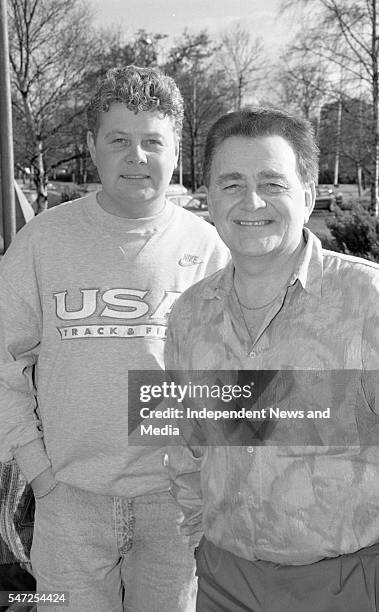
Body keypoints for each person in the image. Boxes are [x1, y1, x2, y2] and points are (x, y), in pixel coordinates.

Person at [0, 65, 229, 612]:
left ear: (176, 149)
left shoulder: (213, 249)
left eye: (153, 141)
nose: (136, 156)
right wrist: (40, 472)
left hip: (175, 507)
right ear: (92, 147)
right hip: (68, 504)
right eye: (119, 140)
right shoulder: (41, 244)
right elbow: (5, 366)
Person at [164, 107, 379, 611]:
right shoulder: (189, 316)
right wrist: (198, 540)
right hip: (223, 578)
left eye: (272, 182)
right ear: (209, 198)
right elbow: (186, 446)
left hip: (347, 585)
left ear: (307, 195)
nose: (251, 201)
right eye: (232, 183)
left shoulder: (368, 302)